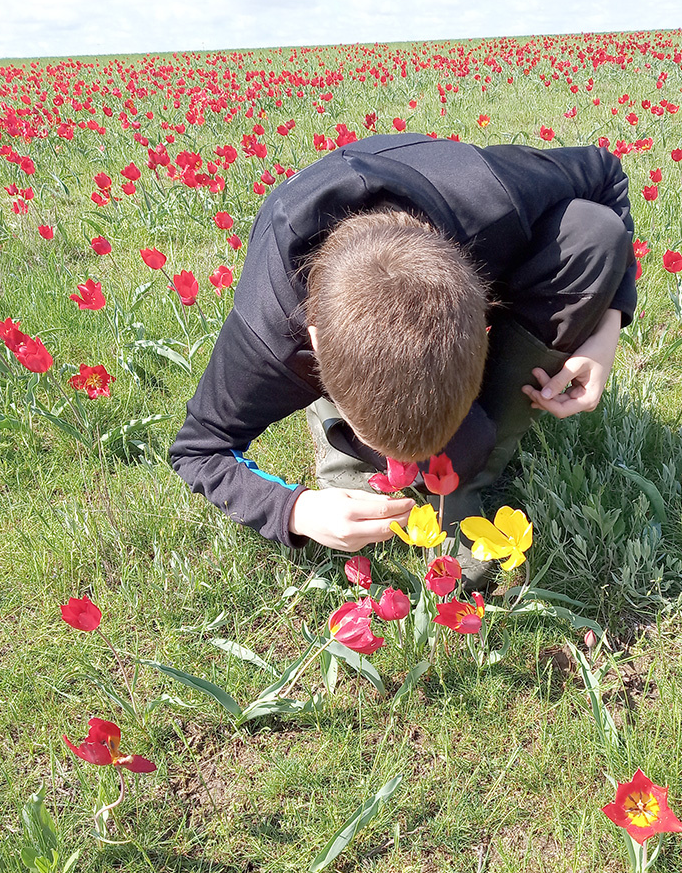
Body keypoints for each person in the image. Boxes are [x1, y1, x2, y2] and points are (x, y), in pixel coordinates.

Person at [170, 132, 636, 574]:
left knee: (595, 232)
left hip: (450, 199)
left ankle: (468, 470)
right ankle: (349, 451)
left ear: (483, 317)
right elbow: (197, 451)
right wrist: (298, 511)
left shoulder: (495, 196)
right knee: (404, 429)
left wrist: (609, 326)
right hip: (309, 300)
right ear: (314, 347)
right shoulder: (268, 340)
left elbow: (607, 175)